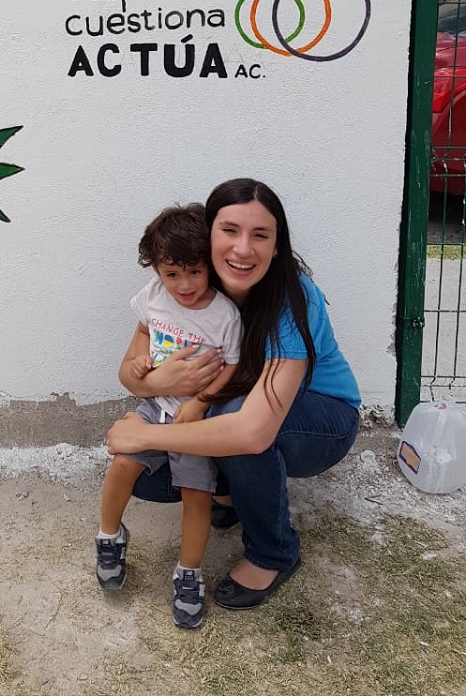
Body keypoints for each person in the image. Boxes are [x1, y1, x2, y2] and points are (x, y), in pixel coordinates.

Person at [106, 178, 360, 612]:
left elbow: (253, 430)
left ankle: (273, 553)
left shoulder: (290, 299)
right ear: (208, 236)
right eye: (229, 231)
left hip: (322, 419)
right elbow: (129, 373)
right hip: (241, 404)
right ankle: (231, 495)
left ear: (277, 246)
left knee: (234, 419)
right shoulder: (195, 281)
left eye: (260, 235)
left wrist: (146, 438)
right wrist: (157, 384)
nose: (242, 249)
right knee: (154, 474)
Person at [97, 203, 241, 629]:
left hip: (195, 422)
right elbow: (144, 330)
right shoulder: (154, 297)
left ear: (210, 266)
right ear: (156, 268)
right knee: (123, 463)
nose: (184, 284)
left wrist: (201, 401)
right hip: (153, 408)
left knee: (196, 495)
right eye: (171, 273)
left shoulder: (224, 315)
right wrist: (142, 363)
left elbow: (232, 365)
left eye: (194, 272)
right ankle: (109, 535)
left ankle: (189, 573)